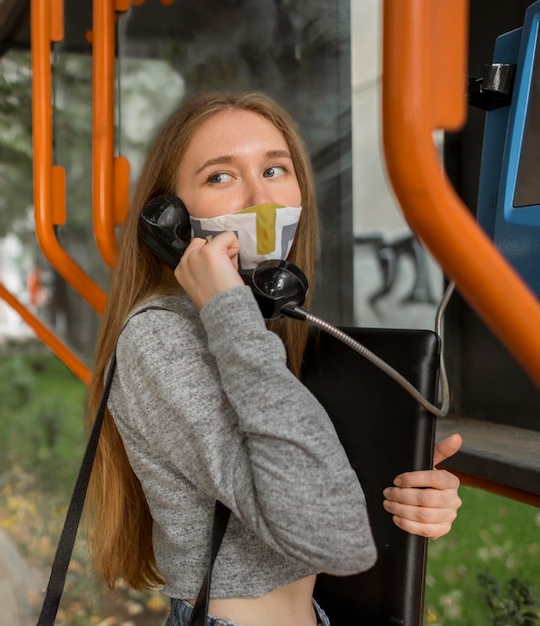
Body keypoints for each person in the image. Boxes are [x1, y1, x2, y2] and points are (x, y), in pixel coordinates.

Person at [86, 92, 463, 626]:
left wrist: (404, 494)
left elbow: (303, 491)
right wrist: (228, 312)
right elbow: (329, 534)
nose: (259, 199)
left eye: (274, 169)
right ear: (167, 219)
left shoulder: (257, 326)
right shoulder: (162, 336)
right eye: (221, 177)